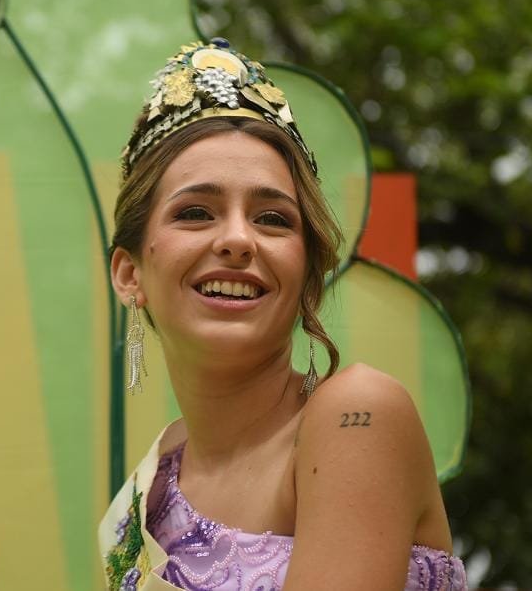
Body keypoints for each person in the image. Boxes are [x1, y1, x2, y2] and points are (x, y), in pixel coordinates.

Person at [98, 39, 467, 591]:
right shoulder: (154, 488)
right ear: (130, 274)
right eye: (196, 213)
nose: (239, 240)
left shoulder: (355, 418)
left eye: (273, 219)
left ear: (307, 271)